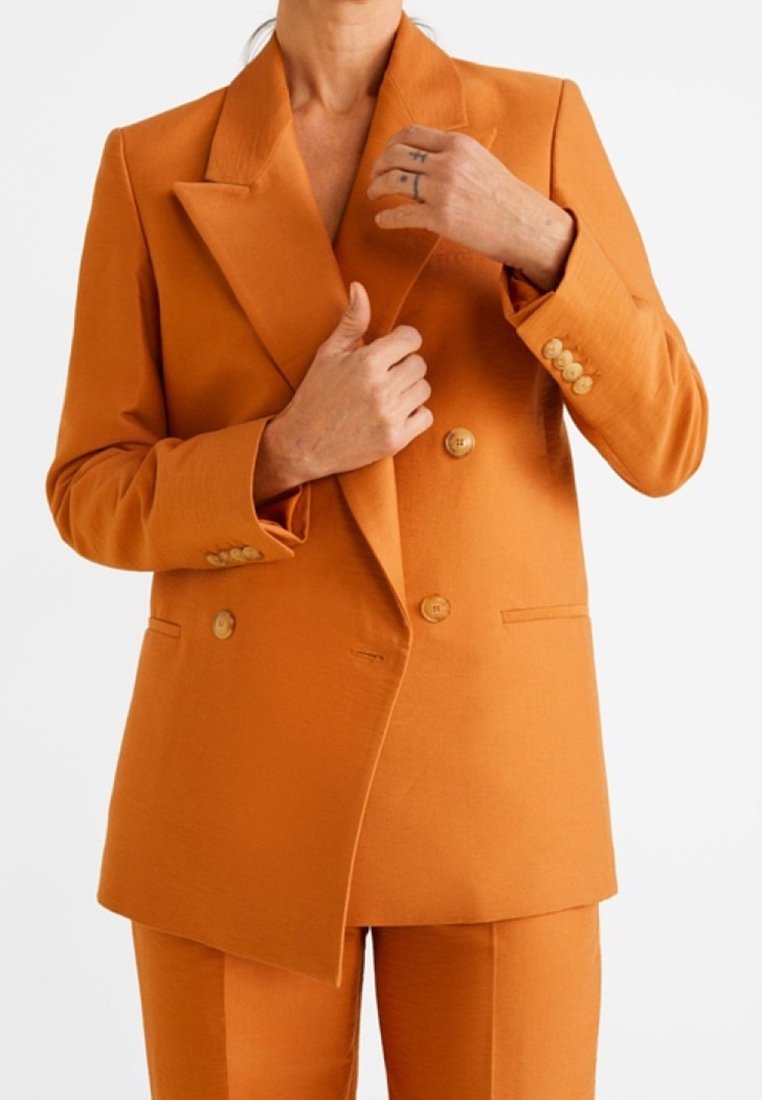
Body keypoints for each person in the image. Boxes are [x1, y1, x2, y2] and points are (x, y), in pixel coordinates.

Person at [45, 1, 709, 1097]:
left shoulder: (537, 124)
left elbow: (670, 439)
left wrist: (540, 240)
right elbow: (87, 491)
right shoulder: (149, 165)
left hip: (492, 774)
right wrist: (280, 453)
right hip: (238, 788)